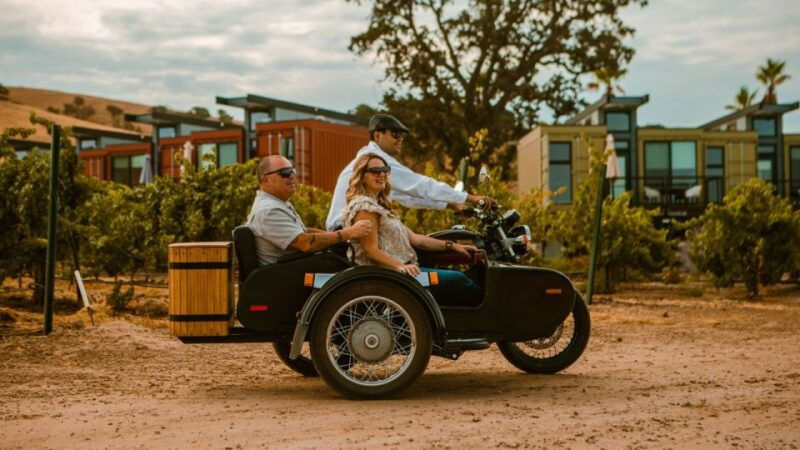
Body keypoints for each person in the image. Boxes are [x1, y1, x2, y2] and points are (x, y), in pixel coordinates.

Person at [342, 152, 483, 304]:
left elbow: (416, 239)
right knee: (458, 279)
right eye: (375, 171)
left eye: (385, 169)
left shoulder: (379, 206)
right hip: (391, 276)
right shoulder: (365, 207)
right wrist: (400, 266)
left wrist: (453, 246)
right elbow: (370, 250)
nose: (382, 174)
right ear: (362, 176)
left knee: (458, 276)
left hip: (402, 272)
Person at [325, 113, 495, 231]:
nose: (400, 139)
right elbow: (420, 184)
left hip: (350, 229)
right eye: (395, 134)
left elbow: (408, 197)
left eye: (402, 136)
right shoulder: (374, 160)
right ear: (377, 136)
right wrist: (472, 198)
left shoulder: (373, 161)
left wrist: (450, 205)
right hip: (348, 232)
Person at [247, 155, 371, 265]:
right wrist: (348, 233)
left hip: (295, 269)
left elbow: (302, 232)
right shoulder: (269, 211)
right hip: (289, 277)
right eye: (284, 172)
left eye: (292, 171)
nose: (291, 176)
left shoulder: (276, 204)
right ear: (265, 180)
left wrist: (341, 236)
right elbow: (306, 243)